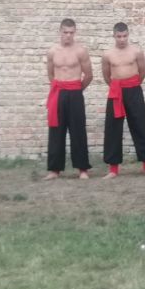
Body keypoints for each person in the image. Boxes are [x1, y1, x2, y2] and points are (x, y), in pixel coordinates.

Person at [101, 22, 145, 179]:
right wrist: (117, 86)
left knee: (140, 125)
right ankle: (113, 169)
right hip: (116, 91)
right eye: (119, 36)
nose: (122, 39)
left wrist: (132, 85)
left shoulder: (136, 51)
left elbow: (142, 72)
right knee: (113, 128)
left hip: (133, 89)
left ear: (128, 35)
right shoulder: (107, 54)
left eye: (124, 36)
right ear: (114, 35)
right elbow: (106, 76)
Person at [44, 18, 93, 180]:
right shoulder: (52, 51)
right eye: (65, 32)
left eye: (71, 32)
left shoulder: (80, 51)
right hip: (58, 92)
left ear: (75, 32)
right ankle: (54, 170)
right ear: (60, 32)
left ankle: (82, 169)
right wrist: (59, 88)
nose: (68, 35)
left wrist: (77, 90)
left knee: (78, 130)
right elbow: (51, 74)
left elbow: (89, 75)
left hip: (75, 92)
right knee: (56, 130)